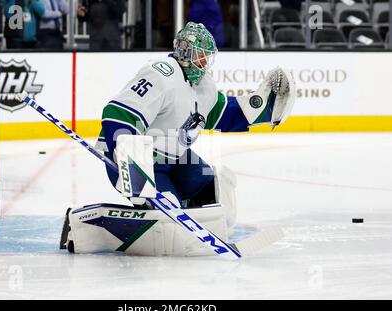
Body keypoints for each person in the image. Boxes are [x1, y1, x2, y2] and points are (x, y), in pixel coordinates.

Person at [60, 22, 295, 256]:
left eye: (207, 57)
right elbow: (118, 115)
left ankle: (195, 231)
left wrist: (263, 107)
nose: (204, 63)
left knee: (210, 183)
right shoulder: (161, 74)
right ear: (185, 51)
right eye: (201, 56)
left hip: (176, 158)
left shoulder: (203, 84)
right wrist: (132, 169)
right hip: (138, 161)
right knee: (167, 213)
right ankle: (82, 223)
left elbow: (220, 114)